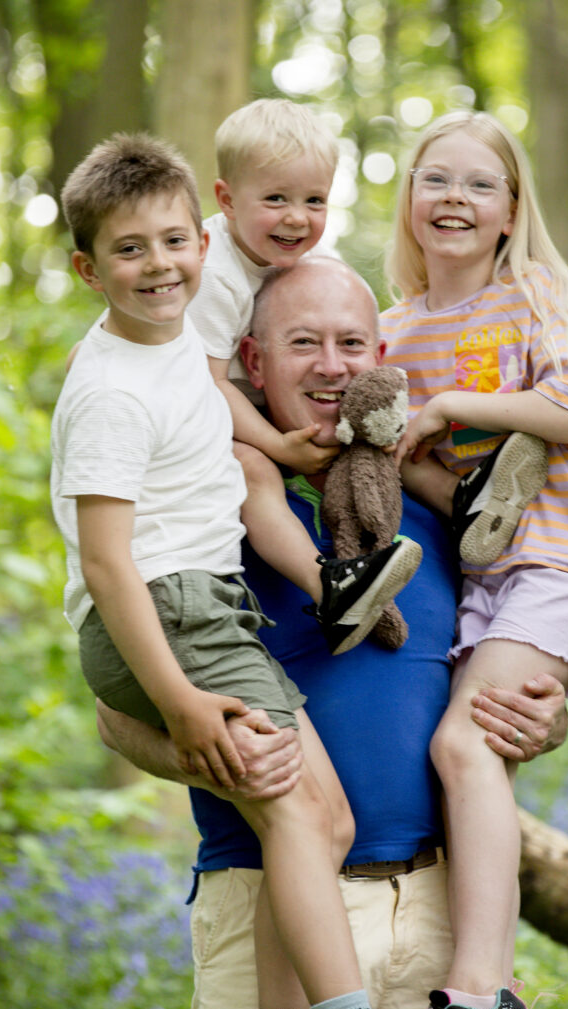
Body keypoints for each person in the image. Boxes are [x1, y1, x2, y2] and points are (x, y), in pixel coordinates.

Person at [52, 136, 490, 1009]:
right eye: (132, 249)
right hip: (185, 633)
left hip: (421, 894)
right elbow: (111, 587)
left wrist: (534, 699)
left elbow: (213, 410)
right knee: (306, 810)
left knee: (318, 816)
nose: (162, 263)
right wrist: (187, 711)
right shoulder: (125, 398)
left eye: (177, 242)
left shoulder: (183, 377)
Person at [96, 255, 568, 1009]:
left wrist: (544, 720)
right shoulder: (198, 513)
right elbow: (115, 711)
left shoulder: (441, 511)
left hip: (440, 912)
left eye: (351, 343)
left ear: (382, 358)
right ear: (252, 362)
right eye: (302, 342)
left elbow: (509, 669)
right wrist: (198, 751)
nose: (330, 365)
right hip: (265, 912)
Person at [378, 110, 568, 1009]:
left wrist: (451, 407)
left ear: (510, 212)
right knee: (471, 756)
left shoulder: (533, 295)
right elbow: (450, 493)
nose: (454, 198)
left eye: (479, 184)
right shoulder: (393, 330)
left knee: (462, 745)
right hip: (493, 572)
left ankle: (481, 1002)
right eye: (435, 179)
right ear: (408, 201)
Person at [190, 97, 421, 654]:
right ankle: (329, 586)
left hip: (218, 403)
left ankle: (467, 499)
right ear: (225, 200)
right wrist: (277, 445)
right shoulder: (213, 274)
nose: (297, 217)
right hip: (183, 414)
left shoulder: (272, 256)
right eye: (276, 199)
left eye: (314, 200)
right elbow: (206, 385)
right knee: (252, 468)